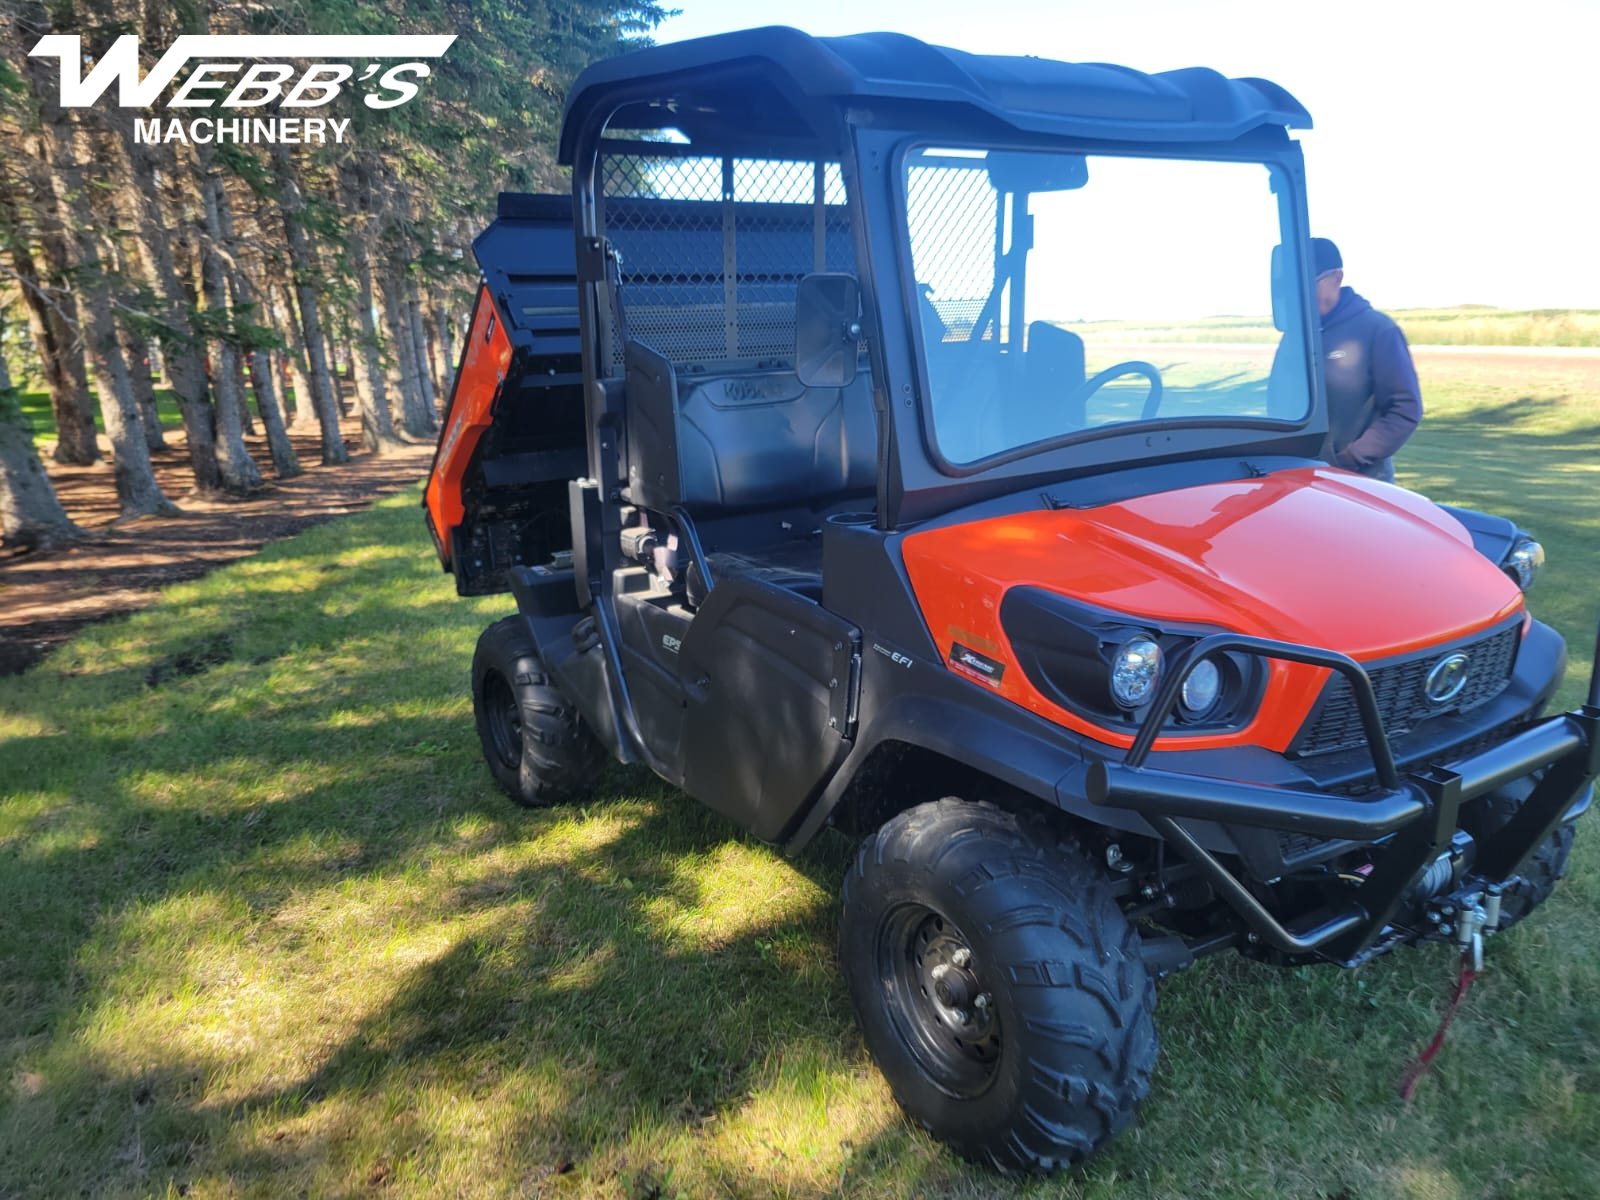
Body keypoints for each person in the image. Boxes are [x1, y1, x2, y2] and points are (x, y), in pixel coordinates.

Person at [1311, 237, 1422, 483]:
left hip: (1362, 482)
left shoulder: (1377, 329)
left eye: (1311, 283)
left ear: (1337, 278)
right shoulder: (1299, 337)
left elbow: (1405, 409)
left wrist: (1350, 458)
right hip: (1305, 478)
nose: (1303, 294)